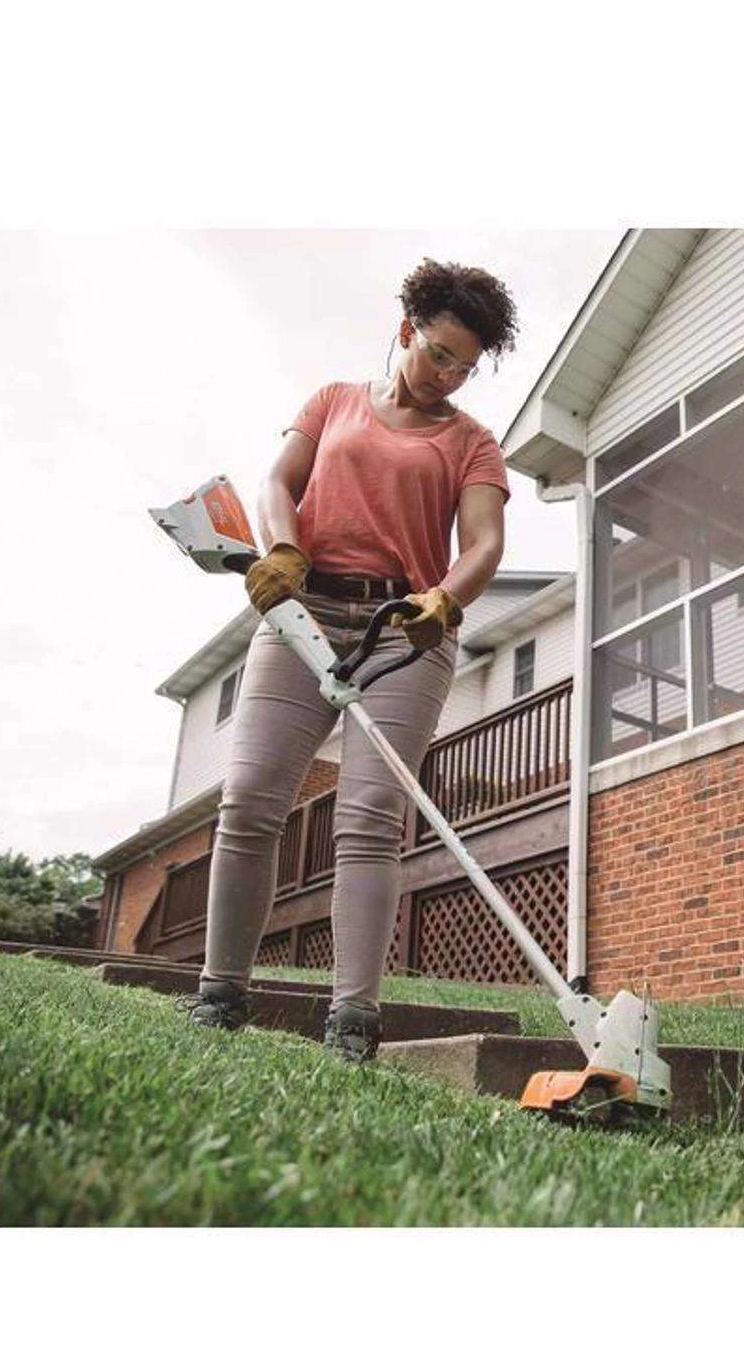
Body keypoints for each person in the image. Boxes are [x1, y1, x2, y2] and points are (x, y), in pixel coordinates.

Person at [186, 258, 518, 1062]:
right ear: (406, 330)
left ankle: (353, 1020)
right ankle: (221, 995)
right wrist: (285, 550)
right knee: (250, 802)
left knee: (370, 818)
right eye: (439, 353)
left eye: (465, 367)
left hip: (404, 631)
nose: (448, 375)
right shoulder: (333, 401)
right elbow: (277, 483)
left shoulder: (472, 443)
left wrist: (446, 599)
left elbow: (484, 543)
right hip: (302, 611)